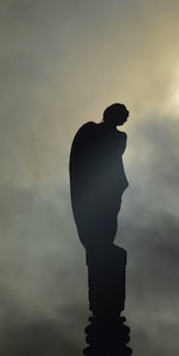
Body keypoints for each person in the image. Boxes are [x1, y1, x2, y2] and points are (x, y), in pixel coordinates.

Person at [69, 104, 130, 250]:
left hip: (111, 185)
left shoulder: (120, 137)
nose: (125, 119)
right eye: (122, 116)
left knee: (110, 214)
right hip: (92, 183)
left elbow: (113, 156)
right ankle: (98, 244)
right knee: (96, 214)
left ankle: (106, 243)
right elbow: (79, 157)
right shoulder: (90, 130)